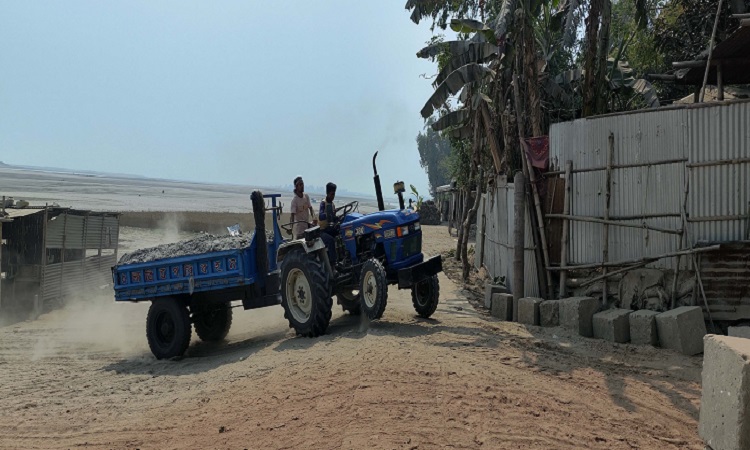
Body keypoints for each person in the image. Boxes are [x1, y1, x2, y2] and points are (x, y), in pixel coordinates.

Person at [318, 182, 338, 269]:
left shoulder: (332, 205)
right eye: (332, 194)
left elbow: (333, 218)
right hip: (322, 231)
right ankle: (333, 264)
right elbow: (320, 216)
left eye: (334, 194)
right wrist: (328, 214)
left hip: (330, 228)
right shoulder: (323, 203)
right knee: (330, 240)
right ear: (328, 193)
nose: (333, 196)